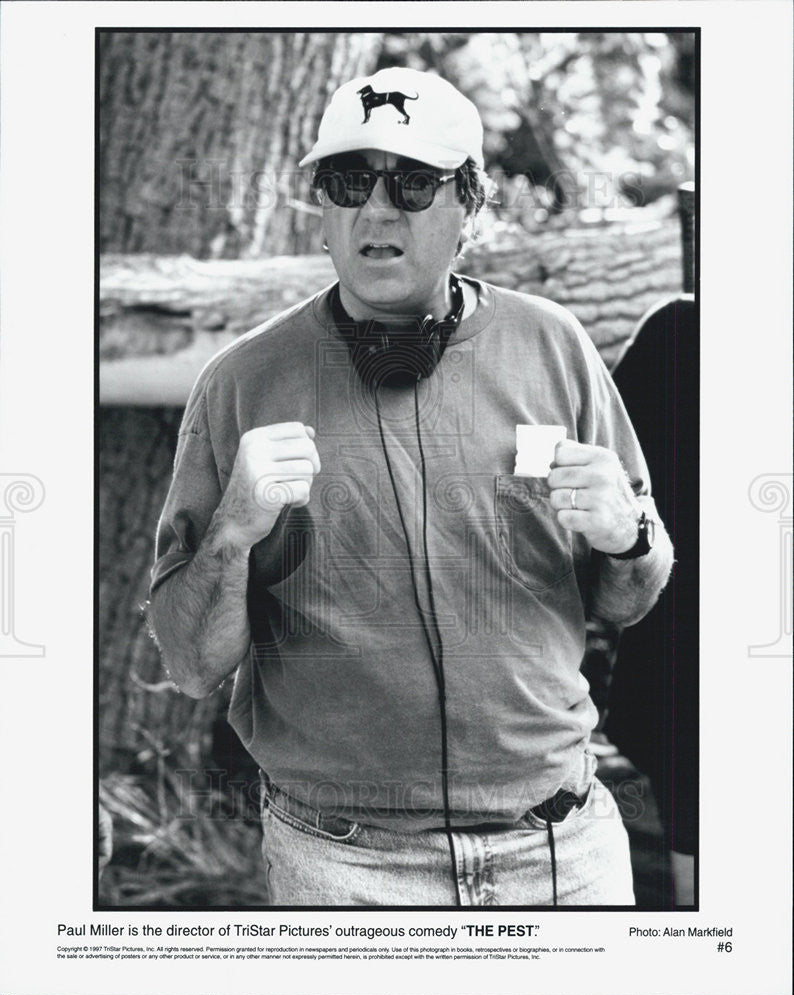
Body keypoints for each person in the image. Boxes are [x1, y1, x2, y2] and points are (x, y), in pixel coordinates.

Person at [147, 66, 674, 907]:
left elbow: (627, 597)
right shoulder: (238, 384)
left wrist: (629, 535)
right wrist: (232, 533)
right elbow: (187, 662)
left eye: (416, 183)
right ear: (322, 209)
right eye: (351, 182)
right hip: (344, 868)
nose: (379, 209)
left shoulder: (555, 348)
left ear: (470, 206)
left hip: (560, 851)